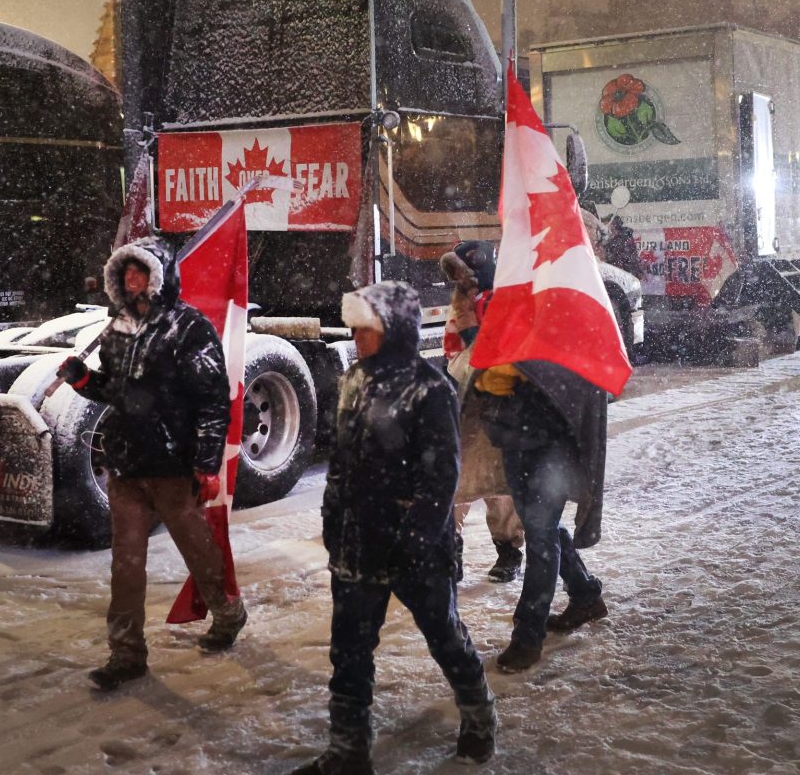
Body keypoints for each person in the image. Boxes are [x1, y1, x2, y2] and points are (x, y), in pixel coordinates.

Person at [293, 281, 496, 774]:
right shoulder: (354, 380)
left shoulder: (431, 387)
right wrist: (333, 519)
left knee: (443, 634)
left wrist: (415, 539)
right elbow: (342, 463)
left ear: (393, 328)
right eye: (356, 326)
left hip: (414, 547)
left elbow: (441, 476)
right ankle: (348, 751)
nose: (357, 335)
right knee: (350, 650)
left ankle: (478, 716)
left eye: (367, 326)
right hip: (357, 542)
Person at [57, 236, 246, 690]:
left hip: (172, 466)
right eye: (124, 273)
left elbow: (212, 401)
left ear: (158, 278)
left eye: (139, 271)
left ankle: (227, 612)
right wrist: (84, 381)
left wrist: (205, 462)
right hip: (126, 466)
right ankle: (126, 654)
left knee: (198, 551)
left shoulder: (188, 328)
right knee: (126, 564)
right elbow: (117, 392)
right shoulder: (116, 331)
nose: (130, 280)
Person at [471, 360, 611, 673]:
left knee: (541, 536)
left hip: (548, 450)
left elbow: (562, 393)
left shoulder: (556, 339)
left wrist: (509, 374)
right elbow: (484, 377)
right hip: (515, 443)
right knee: (543, 529)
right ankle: (585, 595)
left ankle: (528, 636)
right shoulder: (517, 331)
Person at [440, 241, 525, 584]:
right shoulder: (461, 303)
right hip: (463, 399)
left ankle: (508, 549)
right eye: (455, 275)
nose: (460, 281)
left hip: (498, 399)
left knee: (498, 480)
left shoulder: (502, 298)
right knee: (455, 481)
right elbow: (455, 350)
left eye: (464, 273)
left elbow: (501, 346)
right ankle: (451, 551)